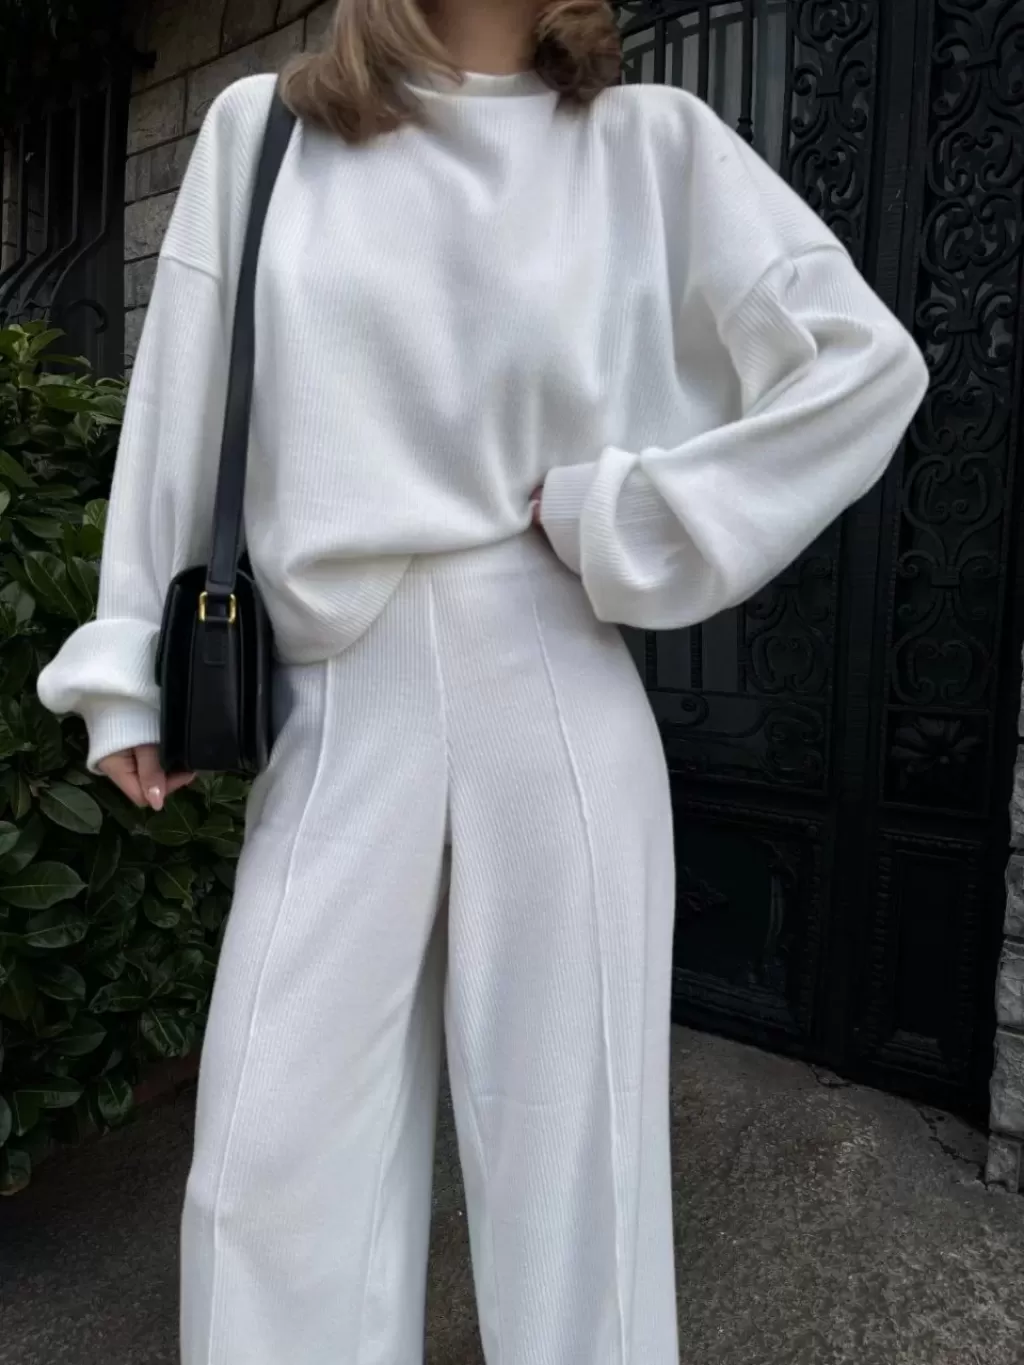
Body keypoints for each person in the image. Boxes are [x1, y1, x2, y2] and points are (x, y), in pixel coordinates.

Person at [37, 0, 929, 1361]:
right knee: (265, 1172)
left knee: (576, 1180)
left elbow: (864, 366)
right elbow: (181, 401)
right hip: (342, 694)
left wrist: (631, 515)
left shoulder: (653, 145)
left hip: (553, 676)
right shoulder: (264, 132)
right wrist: (123, 667)